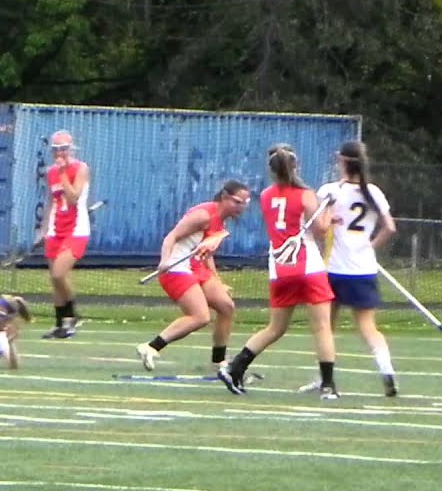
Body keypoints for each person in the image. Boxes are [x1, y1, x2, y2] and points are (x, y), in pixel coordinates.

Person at [218, 144, 340, 399]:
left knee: (275, 328)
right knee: (322, 327)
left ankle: (235, 366)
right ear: (295, 167)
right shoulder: (306, 194)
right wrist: (329, 209)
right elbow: (319, 230)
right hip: (308, 266)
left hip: (281, 268)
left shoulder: (265, 195)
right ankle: (328, 385)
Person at [299, 141, 400, 396]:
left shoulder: (331, 190)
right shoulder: (373, 192)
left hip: (332, 270)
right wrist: (370, 246)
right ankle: (386, 369)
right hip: (363, 269)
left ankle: (324, 379)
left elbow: (317, 228)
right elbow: (389, 227)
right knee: (368, 327)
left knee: (325, 328)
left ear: (341, 160)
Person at [137, 180, 251, 372]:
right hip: (176, 268)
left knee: (226, 306)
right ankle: (150, 347)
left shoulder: (221, 222)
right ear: (224, 197)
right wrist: (164, 261)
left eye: (245, 203)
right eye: (237, 202)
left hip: (195, 267)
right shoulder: (203, 215)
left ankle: (218, 361)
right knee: (200, 316)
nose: (242, 207)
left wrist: (217, 281)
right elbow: (171, 237)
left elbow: (206, 255)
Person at [35, 130, 91, 339]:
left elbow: (74, 197)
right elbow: (52, 201)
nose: (60, 153)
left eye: (64, 149)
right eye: (56, 149)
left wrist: (63, 173)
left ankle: (73, 314)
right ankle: (60, 324)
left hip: (76, 229)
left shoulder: (80, 168)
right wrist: (43, 229)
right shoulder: (50, 173)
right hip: (56, 228)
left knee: (59, 273)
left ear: (71, 149)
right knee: (55, 279)